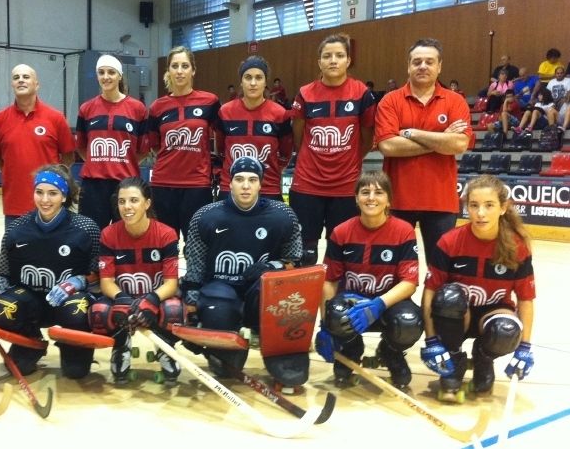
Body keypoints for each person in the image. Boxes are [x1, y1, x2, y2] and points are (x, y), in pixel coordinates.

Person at [181, 156, 303, 389]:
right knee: (219, 315)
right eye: (239, 179)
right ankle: (223, 331)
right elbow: (195, 265)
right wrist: (194, 309)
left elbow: (296, 261)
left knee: (280, 293)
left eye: (252, 179)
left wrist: (272, 266)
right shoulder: (206, 216)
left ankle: (276, 348)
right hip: (221, 290)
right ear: (230, 182)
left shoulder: (282, 215)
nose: (245, 185)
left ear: (261, 184)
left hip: (260, 293)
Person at [420, 174, 535, 396]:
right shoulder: (450, 242)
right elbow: (430, 292)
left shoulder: (517, 246)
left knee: (506, 330)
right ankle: (454, 360)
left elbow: (525, 299)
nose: (480, 213)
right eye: (474, 205)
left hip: (492, 314)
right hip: (455, 315)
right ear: (466, 207)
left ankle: (483, 359)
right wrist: (431, 340)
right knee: (447, 298)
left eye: (489, 205)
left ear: (503, 208)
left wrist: (525, 347)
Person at [0, 164, 101, 377]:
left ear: (65, 197)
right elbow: (4, 273)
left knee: (76, 371)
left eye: (53, 193)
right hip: (31, 303)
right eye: (39, 192)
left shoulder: (86, 228)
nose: (45, 200)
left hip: (68, 305)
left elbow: (98, 276)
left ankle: (71, 347)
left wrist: (78, 282)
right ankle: (31, 342)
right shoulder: (16, 229)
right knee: (1, 309)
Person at [315, 170, 422, 389]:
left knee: (410, 322)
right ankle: (351, 350)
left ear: (388, 200)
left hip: (388, 303)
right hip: (352, 301)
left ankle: (390, 352)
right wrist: (325, 325)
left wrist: (378, 303)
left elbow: (409, 282)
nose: (371, 198)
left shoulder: (404, 231)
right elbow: (329, 281)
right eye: (365, 192)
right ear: (356, 198)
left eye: (379, 192)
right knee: (334, 313)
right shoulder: (341, 232)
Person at [375, 38, 472, 265]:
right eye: (417, 62)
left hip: (441, 202)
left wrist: (410, 133)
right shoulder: (390, 101)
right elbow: (388, 146)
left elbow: (458, 145)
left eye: (429, 61)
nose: (423, 66)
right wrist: (441, 138)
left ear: (439, 67)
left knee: (440, 271)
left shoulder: (455, 101)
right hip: (396, 200)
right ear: (408, 66)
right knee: (391, 268)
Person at [289, 33, 376, 265]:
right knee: (304, 252)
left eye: (339, 55)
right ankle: (305, 301)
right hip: (307, 185)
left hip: (346, 188)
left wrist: (349, 158)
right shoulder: (306, 93)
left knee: (341, 252)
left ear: (348, 60)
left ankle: (334, 301)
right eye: (327, 56)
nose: (333, 60)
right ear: (319, 62)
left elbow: (367, 138)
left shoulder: (361, 94)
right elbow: (298, 136)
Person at [88, 177, 183, 384]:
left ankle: (164, 348)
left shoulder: (166, 234)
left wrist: (151, 299)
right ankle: (121, 346)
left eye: (133, 200)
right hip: (123, 298)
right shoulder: (109, 234)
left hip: (154, 296)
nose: (127, 207)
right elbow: (106, 282)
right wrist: (122, 298)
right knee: (100, 311)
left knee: (174, 309)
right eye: (122, 202)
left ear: (147, 203)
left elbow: (171, 284)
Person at [0, 63, 75, 228]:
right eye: (16, 77)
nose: (21, 80)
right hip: (14, 205)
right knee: (17, 253)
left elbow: (68, 156)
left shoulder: (56, 118)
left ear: (37, 84)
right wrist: (13, 170)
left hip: (50, 205)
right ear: (12, 84)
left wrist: (52, 178)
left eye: (26, 77)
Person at [147, 46, 219, 241]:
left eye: (185, 66)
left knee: (196, 244)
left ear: (193, 70)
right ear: (168, 70)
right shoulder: (157, 107)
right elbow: (155, 145)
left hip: (196, 185)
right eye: (175, 66)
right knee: (164, 244)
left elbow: (221, 136)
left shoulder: (209, 101)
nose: (179, 71)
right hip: (163, 185)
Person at [76, 55, 149, 229]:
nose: (106, 76)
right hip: (93, 185)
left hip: (125, 184)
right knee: (90, 234)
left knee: (125, 235)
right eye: (101, 72)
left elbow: (143, 150)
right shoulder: (86, 109)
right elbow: (81, 146)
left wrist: (123, 163)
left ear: (120, 75)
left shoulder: (138, 108)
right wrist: (99, 163)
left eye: (111, 72)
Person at [215, 56, 292, 201]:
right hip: (230, 188)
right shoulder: (225, 112)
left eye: (259, 77)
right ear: (241, 82)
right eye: (248, 77)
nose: (253, 83)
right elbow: (220, 150)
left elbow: (285, 153)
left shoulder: (280, 114)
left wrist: (269, 172)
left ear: (265, 82)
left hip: (268, 189)